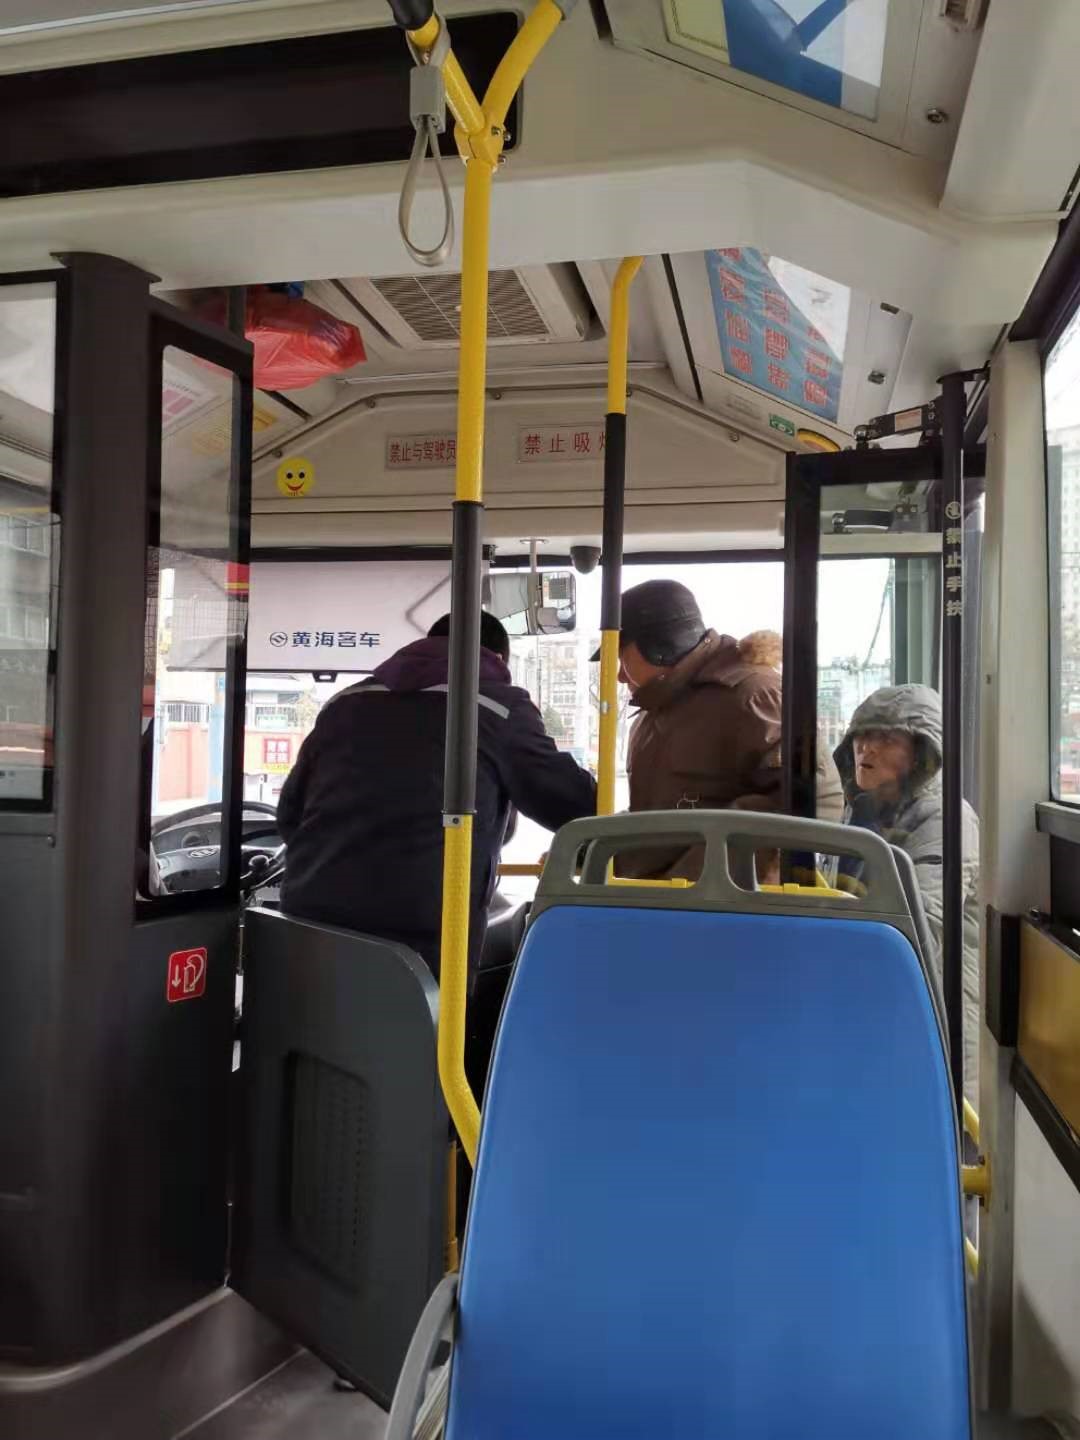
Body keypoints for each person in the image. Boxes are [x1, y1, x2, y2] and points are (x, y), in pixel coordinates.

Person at [277, 610, 596, 976]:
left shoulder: (345, 702)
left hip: (311, 912)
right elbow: (573, 804)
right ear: (497, 659)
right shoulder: (496, 708)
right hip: (421, 925)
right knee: (418, 1014)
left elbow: (290, 815)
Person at [832, 684, 980, 1103]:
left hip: (938, 1013)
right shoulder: (861, 812)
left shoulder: (946, 819)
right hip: (881, 1002)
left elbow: (923, 927)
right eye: (861, 735)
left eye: (885, 738)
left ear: (921, 754)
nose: (867, 749)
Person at [602, 580, 788, 880]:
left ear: (658, 646)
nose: (620, 676)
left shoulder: (752, 694)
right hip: (660, 895)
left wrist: (696, 883)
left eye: (621, 656)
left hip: (719, 902)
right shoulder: (658, 709)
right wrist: (601, 848)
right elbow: (661, 816)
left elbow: (808, 803)